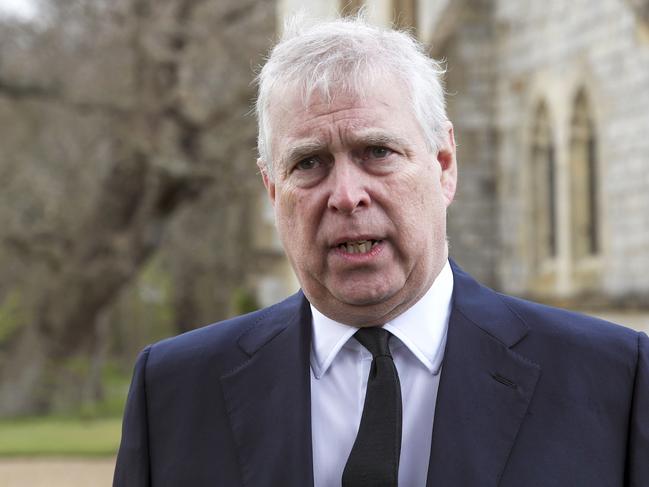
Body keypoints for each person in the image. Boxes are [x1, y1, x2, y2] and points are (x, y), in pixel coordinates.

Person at [113, 16, 648, 487]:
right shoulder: (174, 394)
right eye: (308, 163)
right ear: (272, 190)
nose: (347, 195)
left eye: (377, 151)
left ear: (443, 165)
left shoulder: (613, 380)